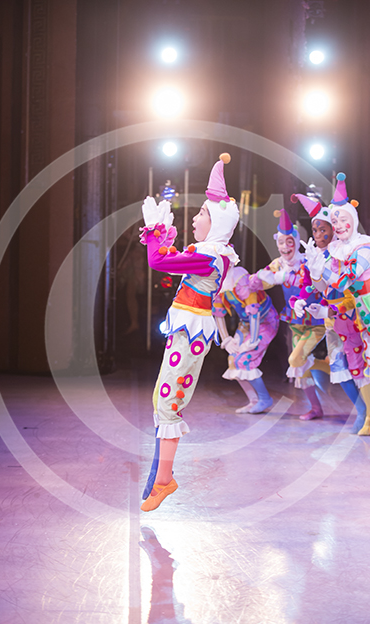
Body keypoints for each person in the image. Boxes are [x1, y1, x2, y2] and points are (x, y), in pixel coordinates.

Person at [139, 153, 240, 511]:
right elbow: (171, 259)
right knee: (162, 400)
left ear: (216, 224)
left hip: (190, 333)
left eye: (201, 214)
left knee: (168, 404)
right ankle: (160, 477)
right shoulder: (212, 253)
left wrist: (156, 232)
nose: (195, 218)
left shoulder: (210, 255)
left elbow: (159, 261)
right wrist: (164, 236)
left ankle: (163, 480)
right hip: (186, 331)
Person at [302, 173, 370, 441]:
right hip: (369, 324)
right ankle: (368, 413)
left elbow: (344, 282)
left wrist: (321, 269)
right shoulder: (339, 252)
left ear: (353, 220)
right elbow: (326, 287)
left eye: (343, 220)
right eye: (335, 221)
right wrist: (316, 271)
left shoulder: (363, 249)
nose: (339, 225)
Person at [290, 192, 370, 435]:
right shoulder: (317, 254)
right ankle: (362, 410)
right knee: (340, 369)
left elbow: (349, 290)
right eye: (315, 230)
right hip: (333, 323)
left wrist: (328, 309)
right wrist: (302, 300)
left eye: (323, 230)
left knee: (360, 368)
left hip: (353, 320)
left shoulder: (344, 253)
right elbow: (313, 286)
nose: (318, 235)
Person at [253, 208, 327, 420]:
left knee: (296, 360)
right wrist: (265, 277)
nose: (285, 247)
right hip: (295, 322)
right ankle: (316, 408)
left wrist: (283, 277)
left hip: (315, 320)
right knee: (300, 368)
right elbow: (258, 281)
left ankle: (331, 366)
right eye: (281, 242)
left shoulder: (306, 262)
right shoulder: (278, 264)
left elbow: (313, 286)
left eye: (289, 242)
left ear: (296, 242)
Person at [213, 265, 279, 413]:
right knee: (232, 360)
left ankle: (265, 399)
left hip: (266, 322)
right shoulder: (218, 282)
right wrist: (226, 339)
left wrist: (253, 341)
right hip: (246, 324)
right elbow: (218, 313)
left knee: (244, 360)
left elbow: (254, 312)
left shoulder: (240, 280)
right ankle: (253, 400)